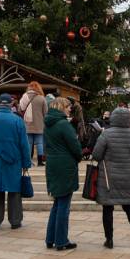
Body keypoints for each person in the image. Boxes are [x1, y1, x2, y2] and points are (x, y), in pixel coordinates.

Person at [92, 107, 130, 249]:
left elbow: (96, 155)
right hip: (126, 175)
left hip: (108, 177)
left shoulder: (106, 134)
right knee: (128, 206)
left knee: (108, 208)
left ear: (113, 118)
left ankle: (109, 240)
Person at [0, 93, 32, 230]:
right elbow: (24, 144)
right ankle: (15, 221)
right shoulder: (17, 120)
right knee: (14, 190)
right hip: (13, 160)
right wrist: (26, 163)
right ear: (11, 104)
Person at [44, 97, 82, 251]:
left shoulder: (48, 123)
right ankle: (61, 241)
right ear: (61, 107)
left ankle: (50, 238)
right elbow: (75, 147)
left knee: (57, 203)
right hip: (65, 166)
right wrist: (79, 156)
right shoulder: (63, 124)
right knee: (64, 205)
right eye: (68, 107)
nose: (70, 109)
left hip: (52, 165)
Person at [20, 81, 48, 166]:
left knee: (29, 143)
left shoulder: (25, 96)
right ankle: (40, 162)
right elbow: (46, 112)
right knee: (39, 143)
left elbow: (20, 108)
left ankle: (28, 161)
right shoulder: (42, 98)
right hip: (39, 124)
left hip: (27, 123)